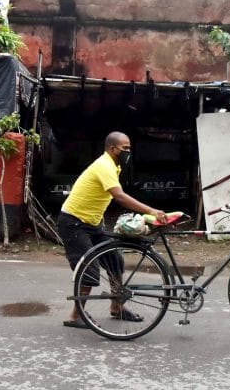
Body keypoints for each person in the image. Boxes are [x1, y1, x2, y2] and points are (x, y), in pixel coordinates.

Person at [57, 131, 167, 328]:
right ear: (112, 148)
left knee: (115, 260)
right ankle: (76, 315)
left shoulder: (114, 165)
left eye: (129, 149)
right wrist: (151, 210)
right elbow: (119, 196)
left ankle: (116, 307)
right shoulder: (104, 165)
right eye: (125, 149)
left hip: (93, 223)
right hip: (73, 222)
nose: (128, 152)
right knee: (88, 270)